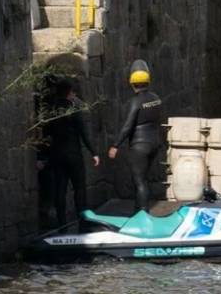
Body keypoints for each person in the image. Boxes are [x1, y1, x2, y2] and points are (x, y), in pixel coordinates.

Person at [42, 79, 100, 227]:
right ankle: (82, 221)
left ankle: (62, 224)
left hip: (57, 155)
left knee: (60, 190)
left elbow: (45, 135)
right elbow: (83, 133)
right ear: (69, 93)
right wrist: (94, 152)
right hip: (74, 155)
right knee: (79, 189)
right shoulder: (73, 109)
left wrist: (43, 157)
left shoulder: (51, 111)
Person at [109, 60, 162, 212]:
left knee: (139, 182)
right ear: (148, 81)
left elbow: (127, 126)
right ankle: (139, 212)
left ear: (132, 84)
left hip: (139, 146)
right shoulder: (156, 98)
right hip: (154, 143)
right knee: (144, 179)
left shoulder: (135, 102)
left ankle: (141, 215)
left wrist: (115, 145)